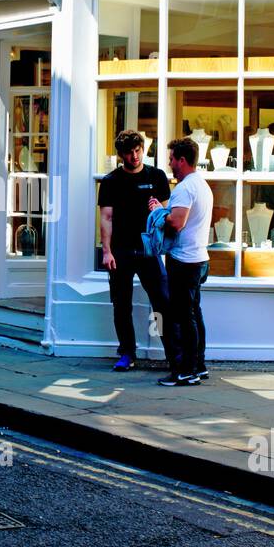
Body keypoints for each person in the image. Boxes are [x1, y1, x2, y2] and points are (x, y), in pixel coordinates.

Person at [98, 129, 173, 372]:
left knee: (161, 302)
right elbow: (106, 217)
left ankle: (172, 353)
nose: (134, 156)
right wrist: (106, 251)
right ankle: (127, 353)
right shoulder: (111, 181)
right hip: (121, 251)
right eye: (129, 152)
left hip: (150, 250)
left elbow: (166, 216)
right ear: (120, 155)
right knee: (122, 305)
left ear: (143, 149)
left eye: (138, 150)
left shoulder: (157, 176)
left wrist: (158, 210)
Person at [149, 137, 213, 387]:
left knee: (184, 318)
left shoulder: (186, 188)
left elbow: (177, 223)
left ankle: (186, 370)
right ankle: (199, 365)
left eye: (172, 159)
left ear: (182, 160)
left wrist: (156, 212)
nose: (170, 164)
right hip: (199, 259)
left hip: (185, 261)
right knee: (194, 313)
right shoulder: (201, 184)